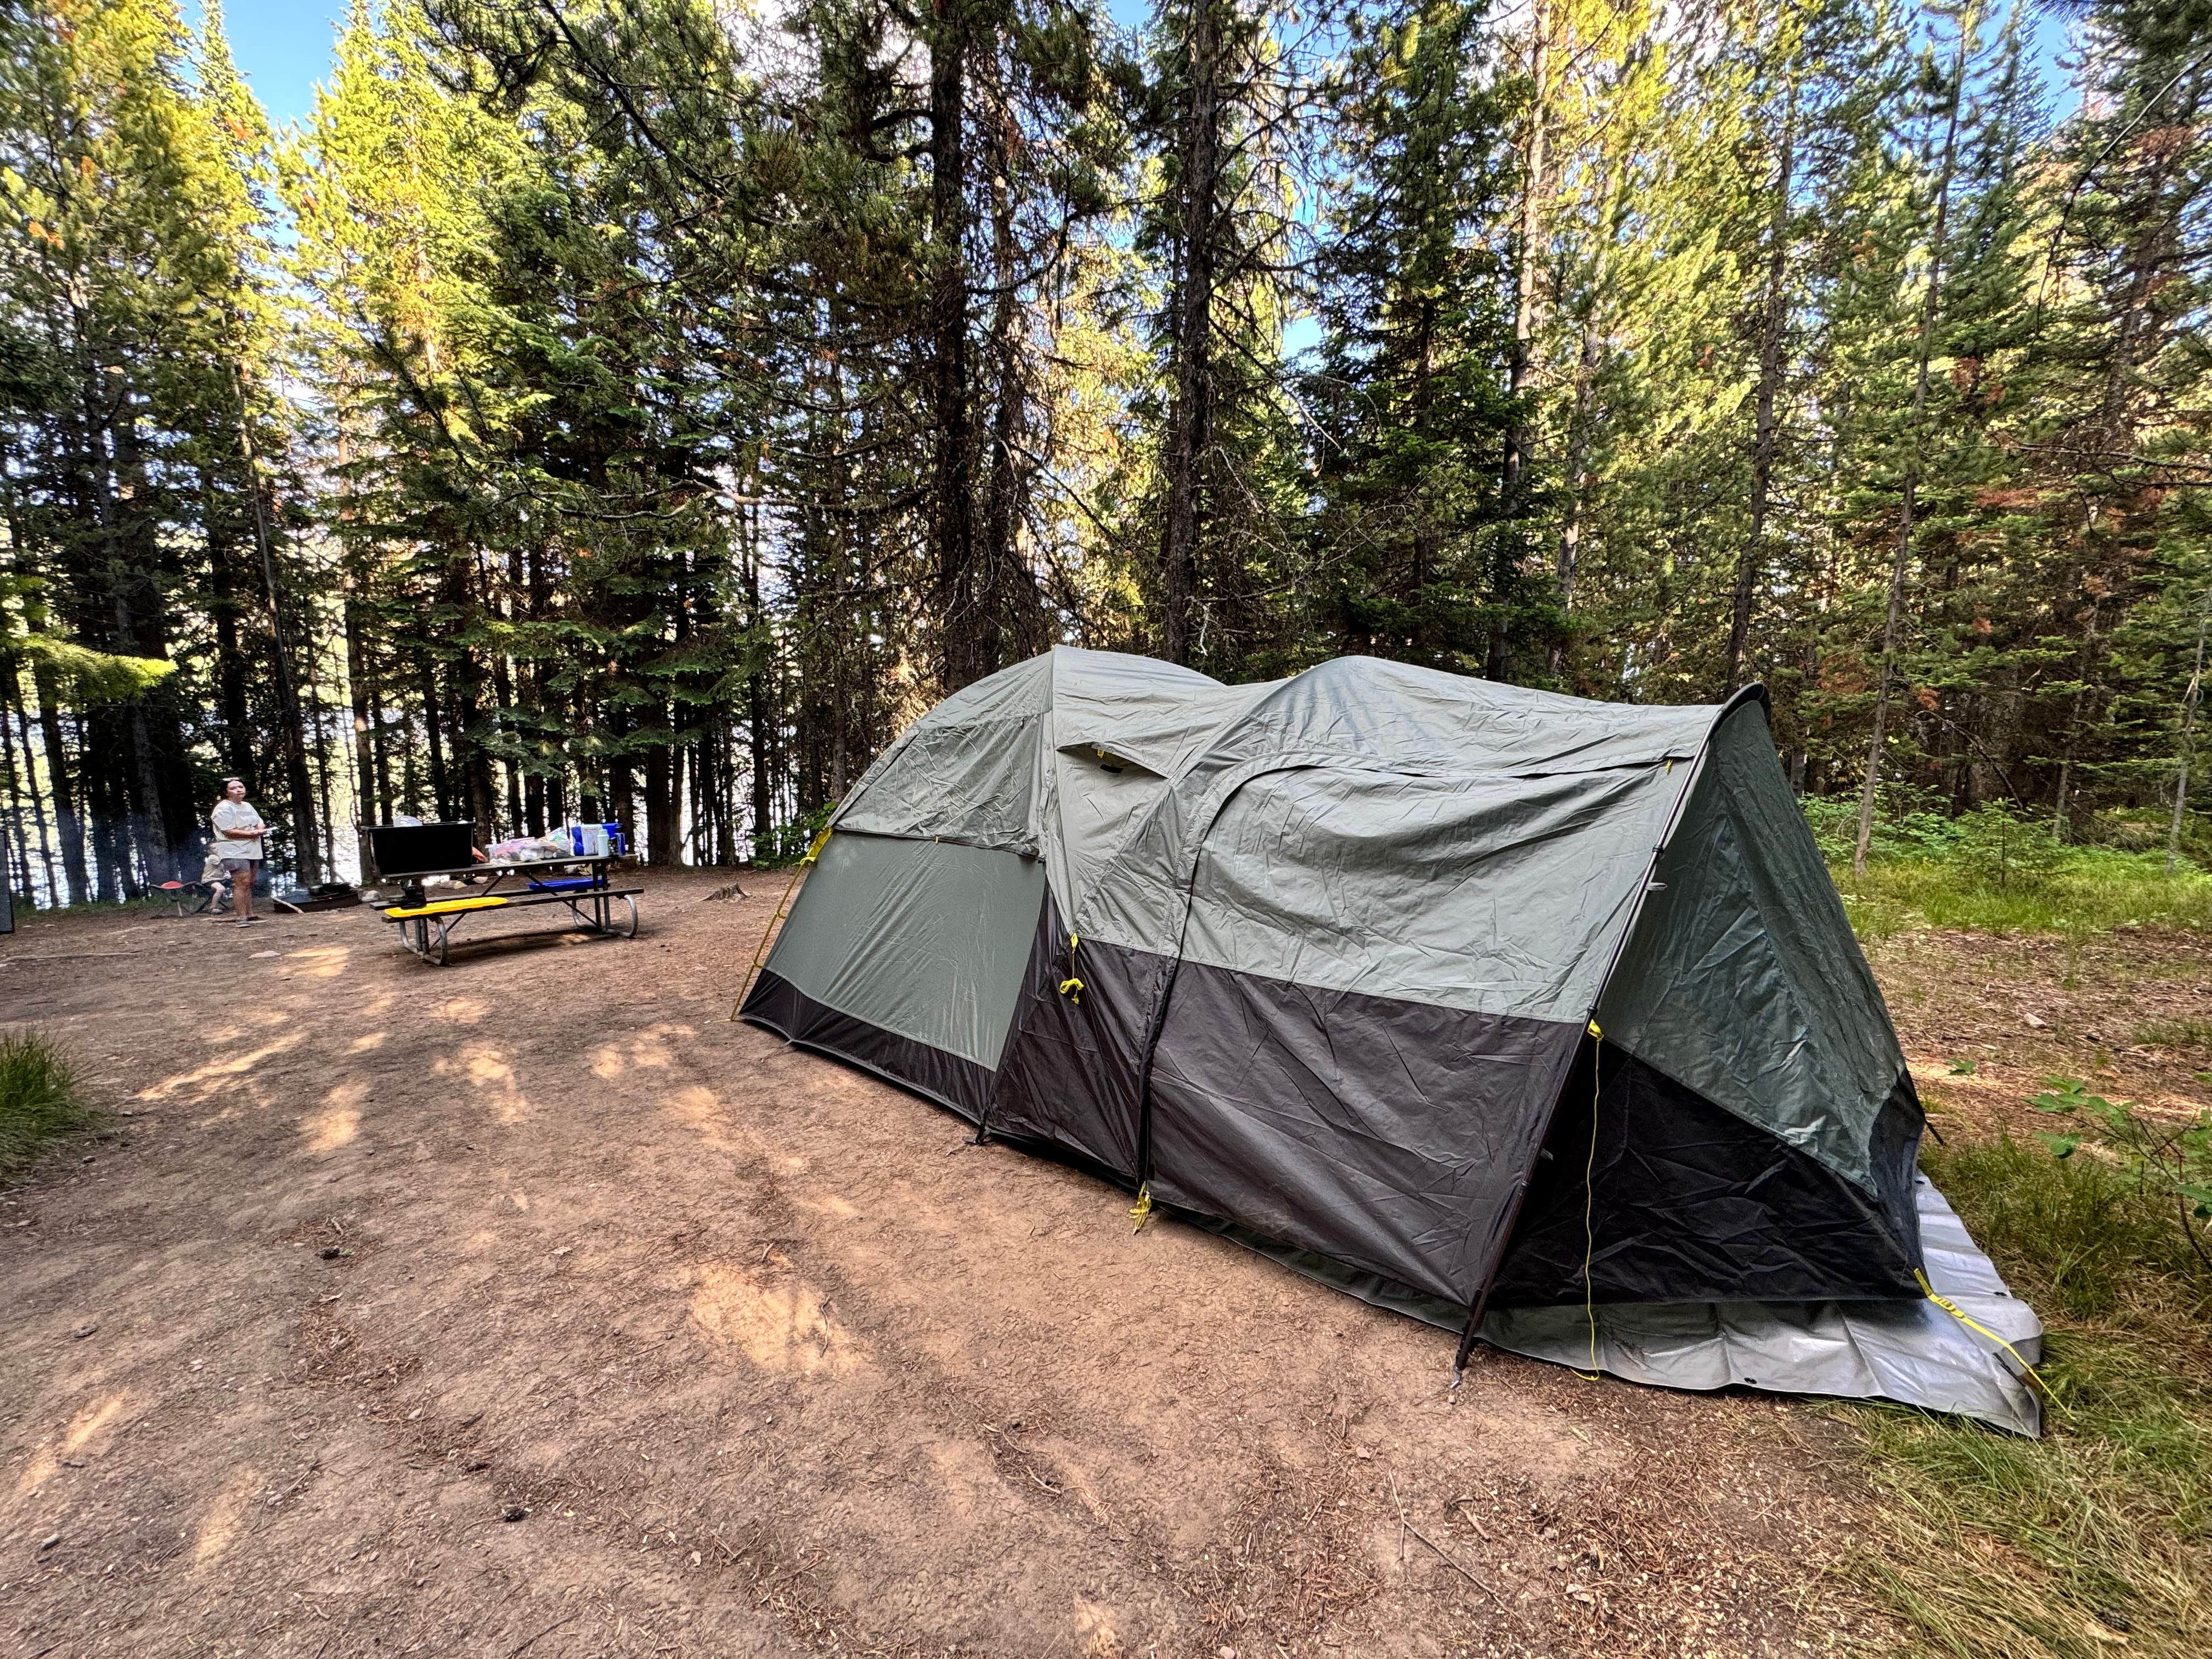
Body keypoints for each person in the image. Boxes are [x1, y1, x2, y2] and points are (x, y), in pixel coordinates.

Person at [209, 778, 269, 927]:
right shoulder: (223, 808)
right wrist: (252, 833)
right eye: (233, 788)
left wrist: (260, 828)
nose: (238, 790)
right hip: (234, 850)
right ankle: (241, 918)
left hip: (253, 849)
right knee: (241, 883)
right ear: (226, 792)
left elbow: (259, 821)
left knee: (250, 882)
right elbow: (228, 831)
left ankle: (250, 914)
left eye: (241, 787)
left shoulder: (247, 806)